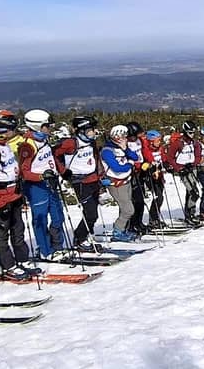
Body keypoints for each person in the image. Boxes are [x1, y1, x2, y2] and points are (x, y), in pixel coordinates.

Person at [0, 110, 39, 280]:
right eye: (11, 128)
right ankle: (8, 266)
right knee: (2, 234)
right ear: (2, 128)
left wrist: (20, 192)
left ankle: (22, 260)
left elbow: (12, 170)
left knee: (18, 230)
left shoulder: (4, 145)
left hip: (14, 195)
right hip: (0, 198)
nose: (14, 131)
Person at [16, 109, 67, 260]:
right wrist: (41, 176)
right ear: (37, 126)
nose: (50, 128)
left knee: (58, 216)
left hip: (50, 183)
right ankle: (46, 251)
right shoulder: (28, 146)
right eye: (47, 125)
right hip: (36, 187)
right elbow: (24, 172)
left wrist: (60, 171)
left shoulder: (43, 140)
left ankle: (58, 245)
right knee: (40, 219)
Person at [54, 116, 104, 250]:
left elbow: (94, 158)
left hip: (93, 179)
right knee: (90, 213)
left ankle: (85, 235)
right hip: (80, 181)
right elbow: (54, 154)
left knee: (93, 213)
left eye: (93, 130)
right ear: (81, 131)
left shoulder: (91, 142)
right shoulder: (71, 143)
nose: (93, 133)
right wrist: (63, 171)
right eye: (89, 130)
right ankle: (79, 239)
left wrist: (100, 174)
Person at [101, 124, 142, 242]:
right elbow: (117, 168)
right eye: (124, 136)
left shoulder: (122, 148)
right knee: (129, 210)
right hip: (116, 183)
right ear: (117, 137)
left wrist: (126, 150)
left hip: (126, 181)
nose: (126, 139)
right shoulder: (107, 151)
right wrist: (129, 164)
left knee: (126, 207)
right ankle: (117, 231)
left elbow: (135, 157)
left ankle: (123, 229)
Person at [165, 120, 203, 227]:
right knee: (193, 192)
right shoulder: (178, 143)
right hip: (182, 170)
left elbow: (198, 156)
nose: (192, 135)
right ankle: (189, 215)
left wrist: (193, 164)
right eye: (190, 132)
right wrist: (178, 168)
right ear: (185, 132)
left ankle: (191, 213)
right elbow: (170, 157)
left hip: (192, 169)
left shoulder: (194, 143)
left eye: (193, 133)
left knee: (191, 192)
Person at [124, 122, 150, 235]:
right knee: (133, 200)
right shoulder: (125, 143)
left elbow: (145, 151)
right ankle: (130, 225)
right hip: (131, 173)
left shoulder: (140, 140)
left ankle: (138, 222)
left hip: (140, 172)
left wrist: (148, 161)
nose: (136, 137)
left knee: (141, 200)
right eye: (135, 135)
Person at [141, 130, 168, 229]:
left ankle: (155, 218)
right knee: (158, 197)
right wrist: (150, 167)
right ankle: (153, 220)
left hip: (159, 175)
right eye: (157, 140)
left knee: (160, 197)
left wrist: (166, 165)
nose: (159, 142)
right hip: (150, 176)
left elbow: (163, 159)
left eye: (159, 140)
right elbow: (148, 161)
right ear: (151, 141)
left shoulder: (160, 148)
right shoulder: (146, 149)